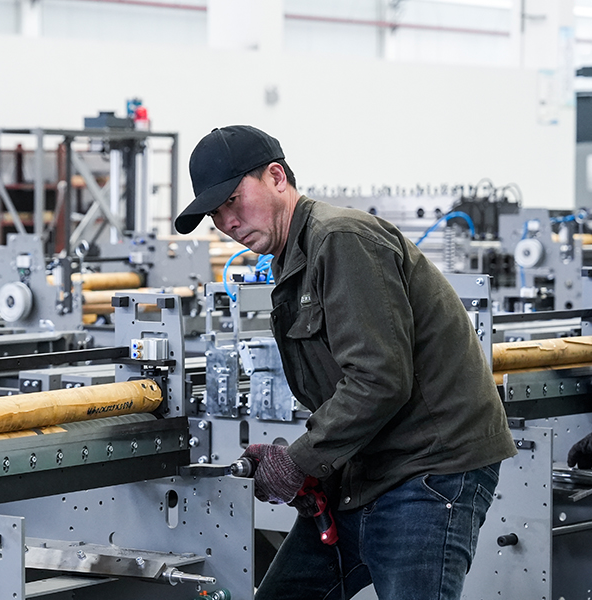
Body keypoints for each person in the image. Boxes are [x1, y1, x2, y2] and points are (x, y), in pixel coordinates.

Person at [175, 125, 517, 600]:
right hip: (366, 472)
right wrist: (309, 464)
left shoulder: (341, 239)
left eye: (233, 200)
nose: (227, 222)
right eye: (216, 213)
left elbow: (379, 379)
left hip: (429, 472)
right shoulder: (293, 259)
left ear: (277, 177)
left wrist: (297, 461)